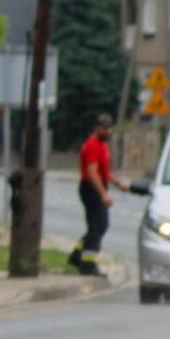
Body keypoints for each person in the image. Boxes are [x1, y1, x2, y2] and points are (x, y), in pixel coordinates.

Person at [68, 113, 127, 276]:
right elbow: (93, 173)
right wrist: (103, 194)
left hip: (96, 188)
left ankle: (77, 255)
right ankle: (88, 265)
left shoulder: (102, 145)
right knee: (99, 225)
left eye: (109, 128)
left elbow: (104, 172)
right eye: (104, 128)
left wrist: (118, 183)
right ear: (96, 128)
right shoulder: (93, 145)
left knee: (96, 226)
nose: (107, 131)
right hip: (90, 189)